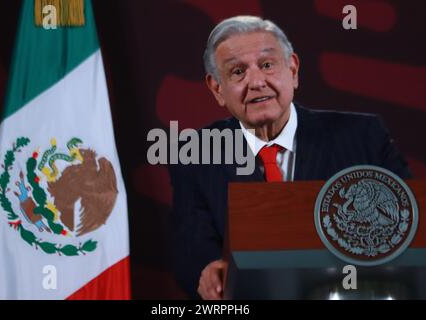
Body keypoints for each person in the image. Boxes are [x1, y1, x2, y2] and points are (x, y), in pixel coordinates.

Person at [168, 16, 411, 300]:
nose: (256, 82)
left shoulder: (362, 136)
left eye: (267, 65)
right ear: (217, 88)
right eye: (237, 72)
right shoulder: (195, 154)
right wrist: (209, 271)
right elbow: (191, 254)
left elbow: (411, 227)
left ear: (293, 70)